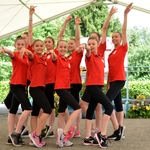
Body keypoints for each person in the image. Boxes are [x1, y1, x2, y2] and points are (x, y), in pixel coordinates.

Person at [79, 6, 120, 148]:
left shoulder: (101, 53)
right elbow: (88, 51)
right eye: (89, 44)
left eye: (93, 43)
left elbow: (104, 30)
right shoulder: (89, 55)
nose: (91, 45)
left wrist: (109, 15)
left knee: (90, 111)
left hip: (95, 86)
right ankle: (100, 135)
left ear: (98, 44)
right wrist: (86, 47)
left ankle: (87, 138)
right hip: (92, 86)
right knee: (108, 107)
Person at [107, 3, 133, 141]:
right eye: (113, 37)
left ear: (121, 39)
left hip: (119, 80)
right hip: (112, 81)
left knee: (106, 102)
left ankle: (118, 129)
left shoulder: (123, 48)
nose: (114, 38)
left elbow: (124, 30)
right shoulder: (111, 53)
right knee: (117, 105)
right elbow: (110, 70)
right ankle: (119, 130)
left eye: (116, 37)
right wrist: (108, 83)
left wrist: (125, 14)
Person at [0, 36, 33, 147]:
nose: (20, 46)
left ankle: (10, 136)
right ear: (15, 46)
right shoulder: (15, 55)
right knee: (28, 108)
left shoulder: (27, 57)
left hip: (22, 85)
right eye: (18, 44)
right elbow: (9, 52)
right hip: (16, 85)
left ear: (25, 45)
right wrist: (3, 49)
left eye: (22, 44)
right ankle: (16, 133)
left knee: (13, 110)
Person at [57, 15, 83, 139]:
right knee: (63, 110)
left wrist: (77, 25)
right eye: (69, 44)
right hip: (65, 85)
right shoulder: (65, 58)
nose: (71, 45)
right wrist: (65, 22)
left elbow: (78, 39)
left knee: (76, 107)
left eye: (72, 44)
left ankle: (74, 129)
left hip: (75, 83)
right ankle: (66, 132)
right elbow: (59, 39)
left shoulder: (77, 54)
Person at [55, 40, 81, 148]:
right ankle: (64, 133)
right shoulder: (56, 57)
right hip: (61, 88)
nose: (63, 49)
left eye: (65, 47)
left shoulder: (66, 59)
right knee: (77, 108)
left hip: (67, 87)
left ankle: (60, 139)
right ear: (57, 48)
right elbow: (54, 55)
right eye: (61, 47)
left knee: (61, 113)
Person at [25, 39, 52, 148]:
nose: (40, 47)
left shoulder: (44, 58)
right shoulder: (34, 57)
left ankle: (33, 137)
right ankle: (37, 134)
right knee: (48, 110)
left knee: (35, 112)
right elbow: (30, 54)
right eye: (37, 46)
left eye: (41, 46)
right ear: (34, 47)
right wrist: (25, 50)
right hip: (35, 88)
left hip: (42, 88)